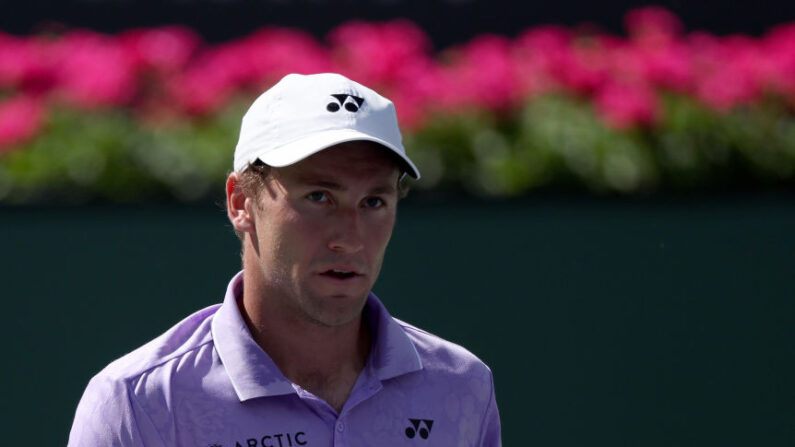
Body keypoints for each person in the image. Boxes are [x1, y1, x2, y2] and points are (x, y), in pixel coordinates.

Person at [68, 73, 501, 447]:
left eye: (373, 201)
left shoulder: (463, 385)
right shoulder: (138, 402)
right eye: (319, 197)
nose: (350, 239)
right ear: (241, 202)